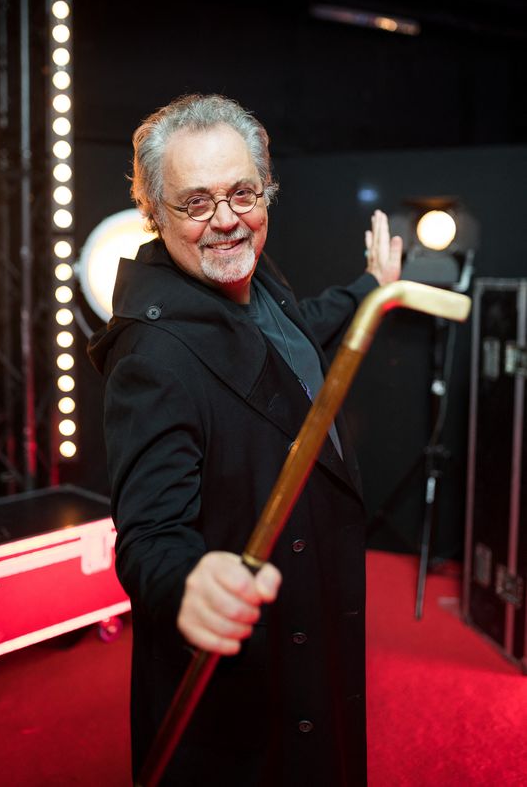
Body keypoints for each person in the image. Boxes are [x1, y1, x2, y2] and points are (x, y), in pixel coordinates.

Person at [88, 94, 402, 786]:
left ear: (267, 192)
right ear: (155, 214)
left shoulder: (254, 280)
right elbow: (149, 534)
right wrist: (188, 580)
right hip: (250, 685)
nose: (225, 219)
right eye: (196, 203)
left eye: (241, 193)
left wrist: (372, 287)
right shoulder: (153, 354)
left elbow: (301, 326)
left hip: (312, 619)